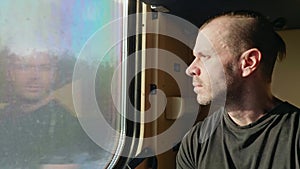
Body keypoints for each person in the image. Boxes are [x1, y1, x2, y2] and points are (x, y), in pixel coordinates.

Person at [176, 10, 300, 169]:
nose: (191, 69)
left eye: (204, 56)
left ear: (248, 63)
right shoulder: (196, 141)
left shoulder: (295, 137)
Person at [0, 49, 104, 169]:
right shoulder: (4, 119)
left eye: (44, 68)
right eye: (24, 67)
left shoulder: (73, 131)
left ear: (54, 75)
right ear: (10, 73)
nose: (34, 76)